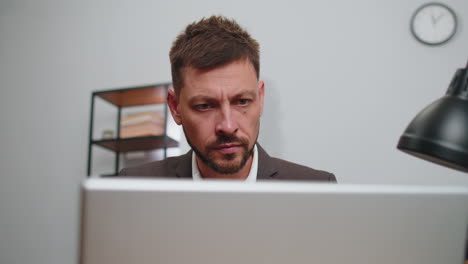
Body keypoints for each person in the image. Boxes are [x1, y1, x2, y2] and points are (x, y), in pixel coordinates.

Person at [119, 15, 335, 182]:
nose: (228, 126)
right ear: (175, 108)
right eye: (204, 106)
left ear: (260, 99)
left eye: (242, 102)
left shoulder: (317, 189)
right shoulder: (132, 187)